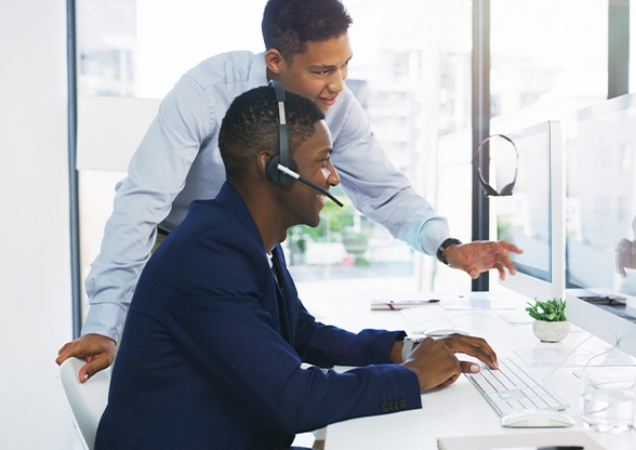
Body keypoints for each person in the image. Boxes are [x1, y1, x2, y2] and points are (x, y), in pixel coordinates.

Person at [56, 0, 521, 382]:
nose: (337, 85)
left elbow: (384, 190)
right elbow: (141, 203)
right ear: (275, 61)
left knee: (265, 370)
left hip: (249, 249)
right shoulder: (206, 91)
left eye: (344, 66)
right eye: (322, 70)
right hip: (174, 246)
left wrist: (448, 247)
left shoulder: (337, 105)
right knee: (193, 388)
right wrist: (104, 321)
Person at [94, 84, 499, 449]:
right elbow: (293, 399)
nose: (334, 178)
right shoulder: (208, 254)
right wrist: (412, 377)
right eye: (323, 161)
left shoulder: (245, 237)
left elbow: (301, 333)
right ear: (275, 168)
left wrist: (405, 349)